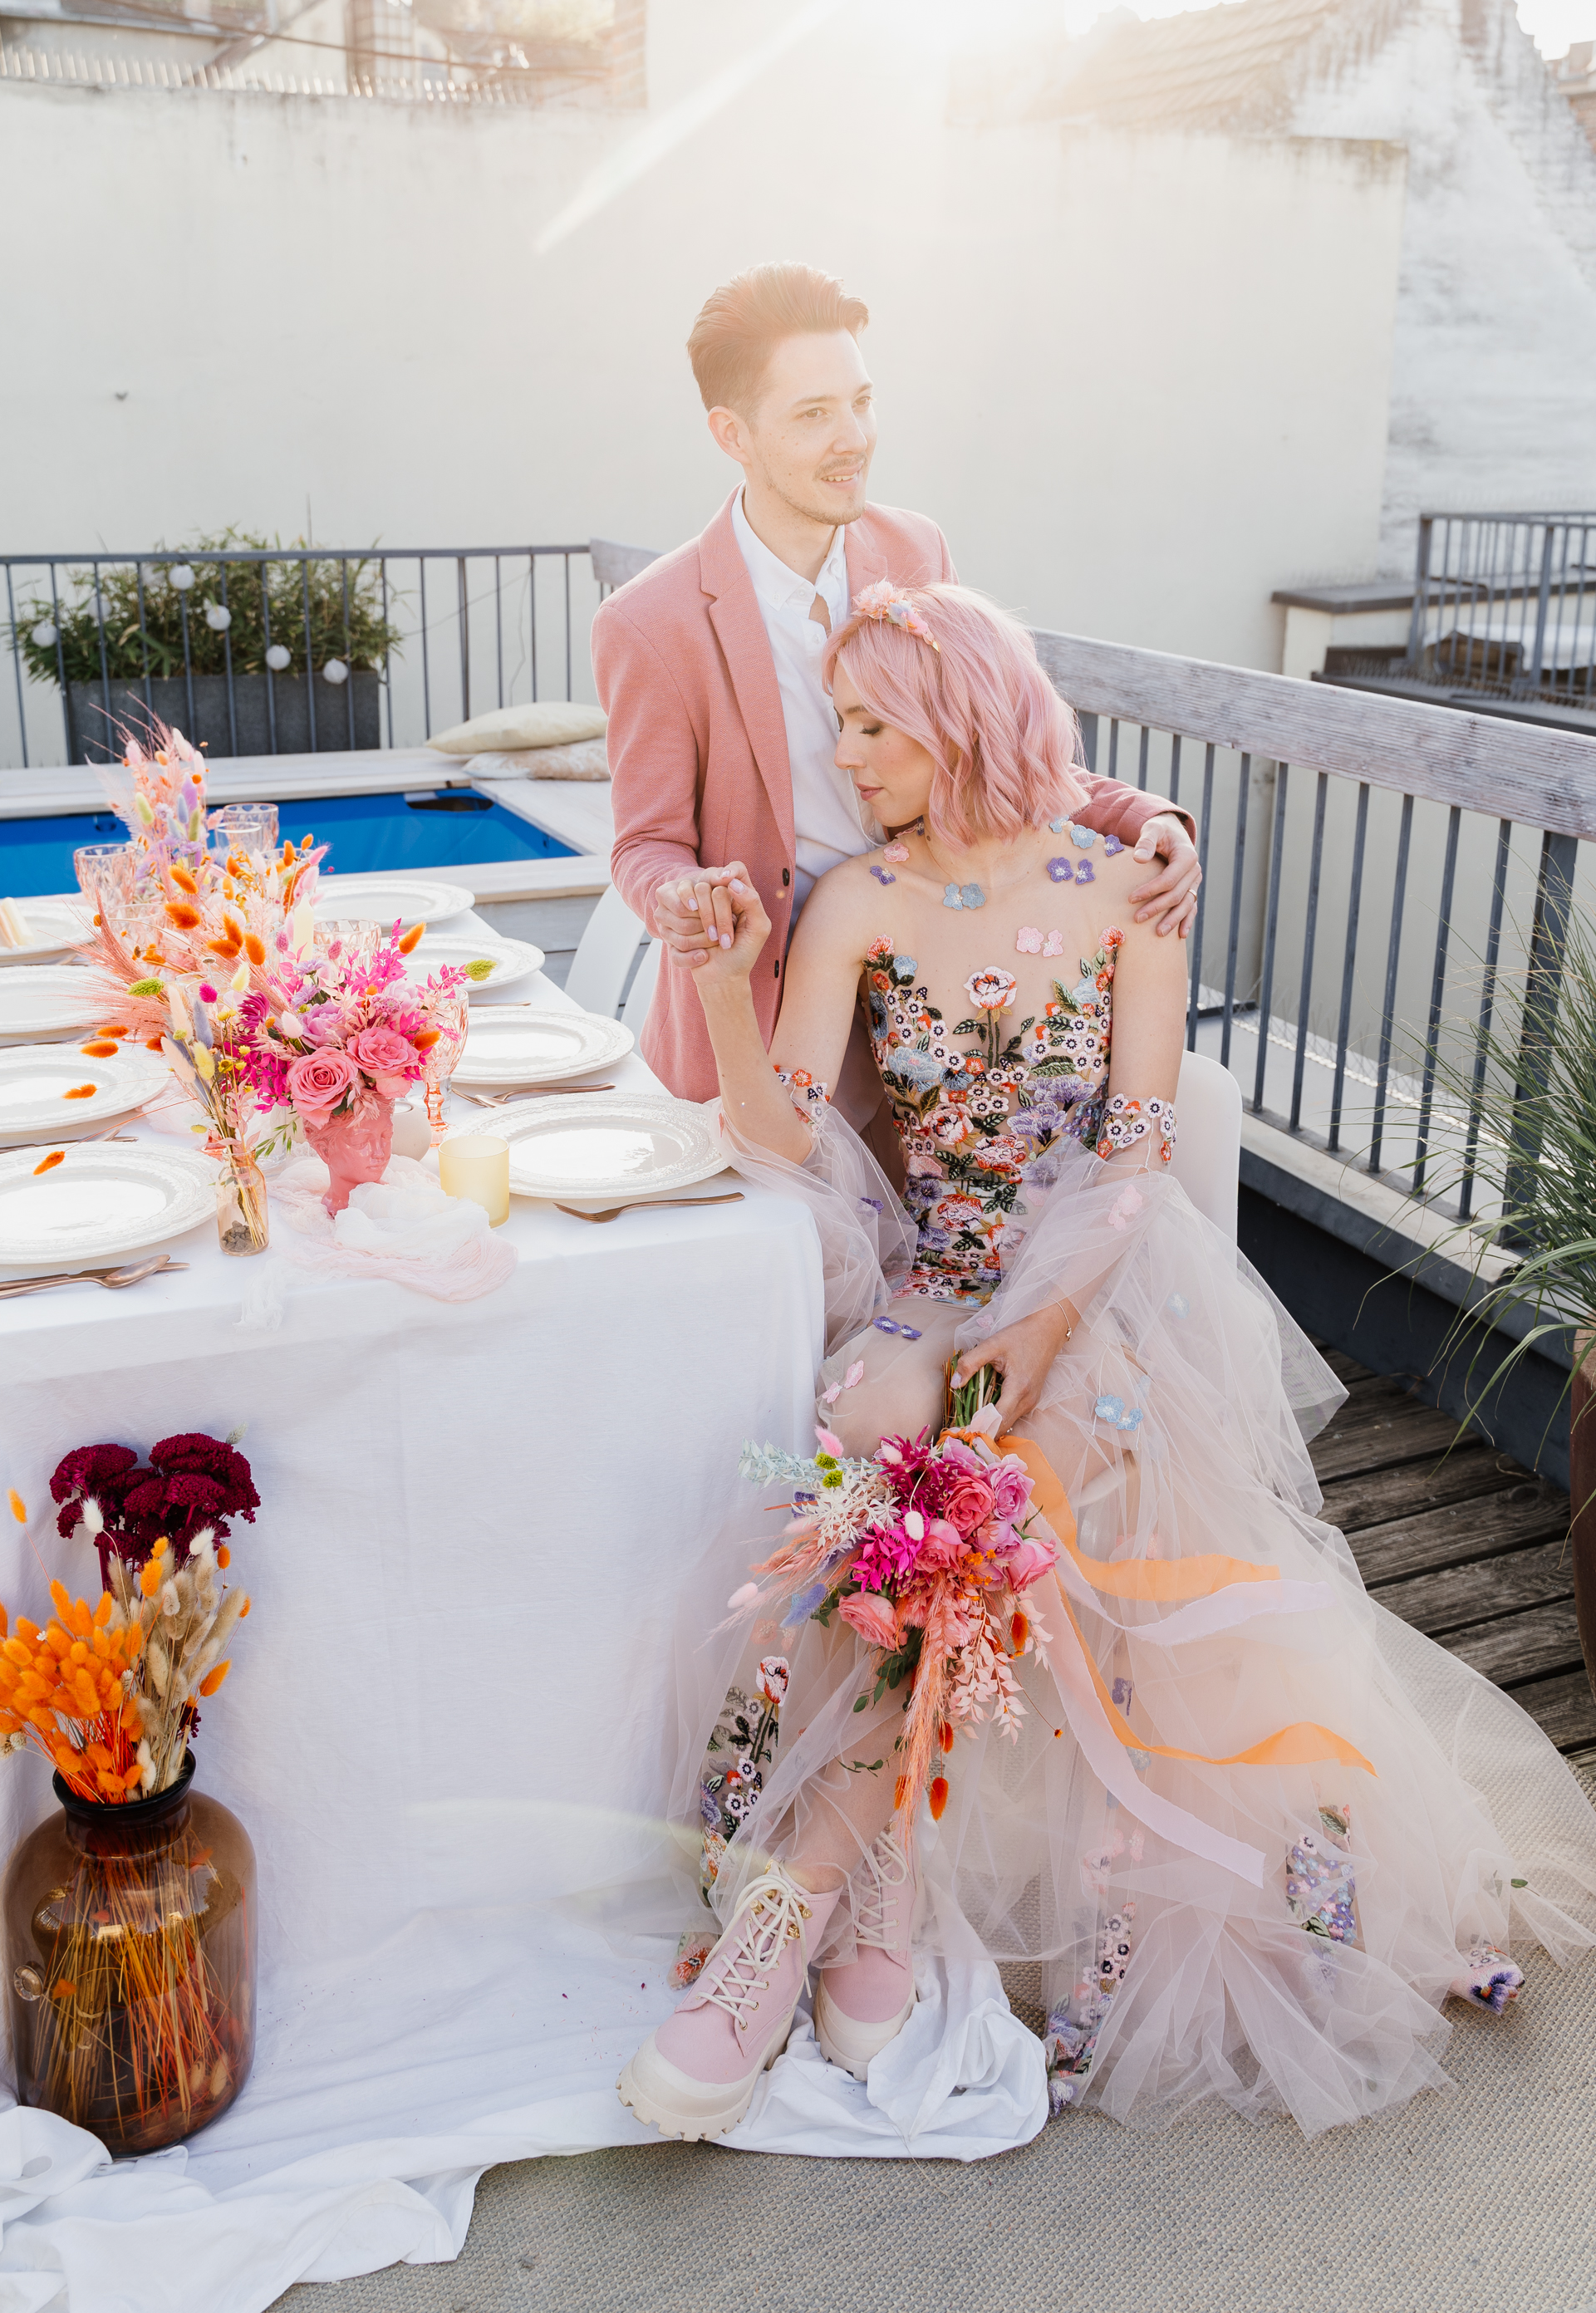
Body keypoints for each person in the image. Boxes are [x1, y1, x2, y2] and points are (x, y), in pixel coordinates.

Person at [616, 579, 1596, 2148]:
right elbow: (780, 1138)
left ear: (956, 721)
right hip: (941, 1274)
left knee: (995, 1490)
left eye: (870, 726)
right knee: (869, 1429)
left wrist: (1046, 1324)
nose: (843, 754)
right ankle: (874, 1868)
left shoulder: (1126, 890)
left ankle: (787, 1914)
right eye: (841, 723)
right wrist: (728, 987)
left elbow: (1135, 1151)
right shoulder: (854, 900)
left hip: (1100, 1286)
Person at [591, 261, 1201, 1131]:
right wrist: (683, 899)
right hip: (761, 1031)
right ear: (733, 434)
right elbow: (645, 843)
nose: (854, 438)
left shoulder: (918, 548)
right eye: (813, 414)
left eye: (862, 401)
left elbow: (983, 742)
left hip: (933, 1025)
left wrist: (1140, 816)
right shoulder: (647, 622)